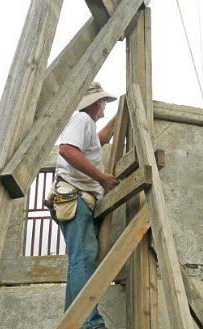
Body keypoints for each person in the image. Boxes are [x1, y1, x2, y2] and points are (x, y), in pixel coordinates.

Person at [47, 81, 119, 329]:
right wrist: (101, 178)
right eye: (104, 103)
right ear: (97, 102)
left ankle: (74, 320)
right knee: (85, 257)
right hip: (74, 197)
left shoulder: (88, 127)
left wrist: (121, 118)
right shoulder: (83, 120)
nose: (105, 108)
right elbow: (67, 150)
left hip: (72, 198)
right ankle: (88, 323)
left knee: (80, 259)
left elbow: (99, 141)